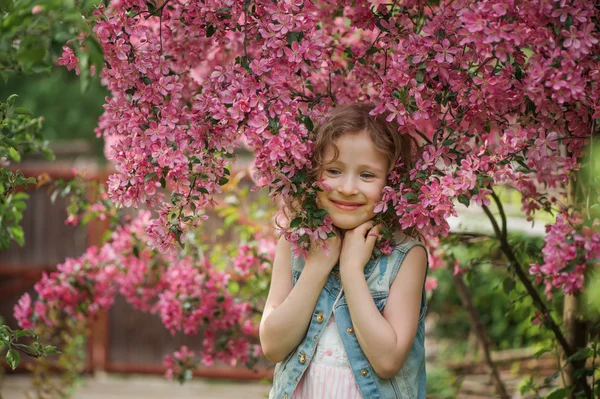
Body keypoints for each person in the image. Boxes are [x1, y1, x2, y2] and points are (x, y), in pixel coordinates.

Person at [259, 103, 429, 399]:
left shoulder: (406, 257)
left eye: (367, 175)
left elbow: (387, 360)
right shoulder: (294, 242)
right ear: (312, 173)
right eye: (334, 171)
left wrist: (351, 270)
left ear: (393, 183)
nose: (348, 188)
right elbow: (273, 346)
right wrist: (316, 267)